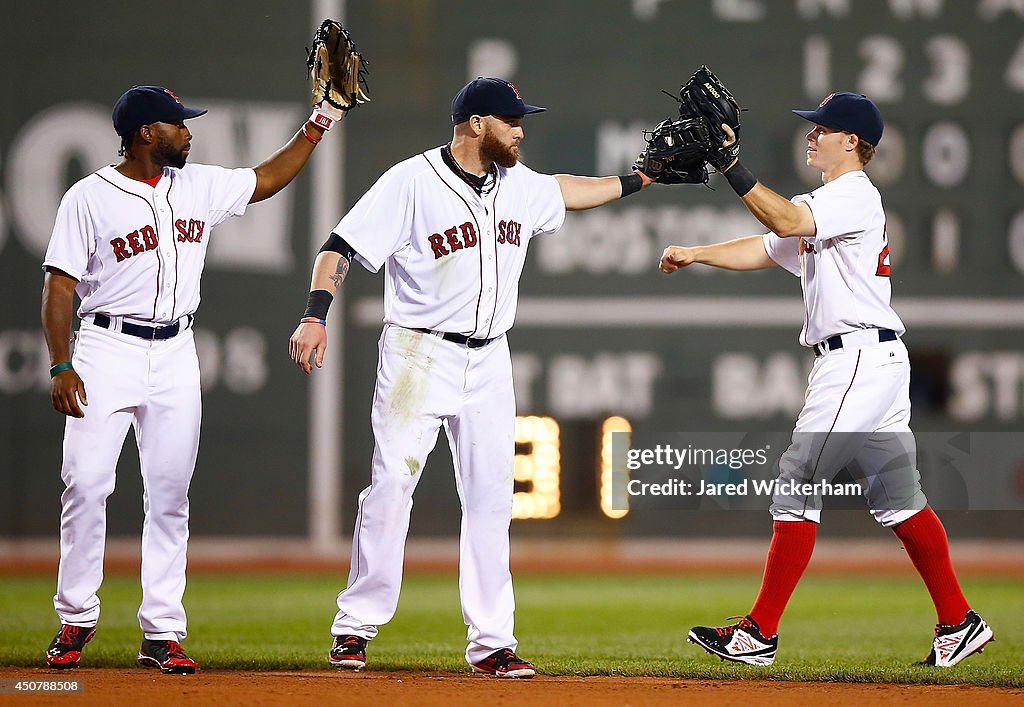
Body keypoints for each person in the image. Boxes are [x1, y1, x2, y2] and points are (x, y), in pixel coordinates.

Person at [288, 77, 655, 678]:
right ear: (477, 123)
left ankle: (491, 641)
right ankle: (354, 627)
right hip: (417, 353)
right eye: (511, 120)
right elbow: (339, 247)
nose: (521, 129)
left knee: (490, 500)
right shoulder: (411, 181)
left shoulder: (519, 185)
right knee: (391, 488)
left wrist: (642, 178)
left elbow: (573, 190)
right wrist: (314, 314)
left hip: (489, 359)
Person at [662, 92, 993, 667]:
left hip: (858, 359)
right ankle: (959, 621)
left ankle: (758, 633)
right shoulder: (832, 202)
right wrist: (697, 253)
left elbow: (786, 219)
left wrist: (731, 164)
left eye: (822, 129)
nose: (811, 136)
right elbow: (770, 245)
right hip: (874, 360)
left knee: (797, 481)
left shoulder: (854, 195)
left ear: (851, 141)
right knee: (899, 501)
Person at [42, 85, 348, 673]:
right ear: (145, 133)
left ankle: (162, 632)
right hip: (105, 346)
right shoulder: (89, 197)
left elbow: (267, 179)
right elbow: (59, 284)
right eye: (178, 124)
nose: (188, 131)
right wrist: (62, 362)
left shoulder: (196, 186)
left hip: (176, 351)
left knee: (170, 496)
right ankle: (75, 619)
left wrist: (320, 121)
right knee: (84, 484)